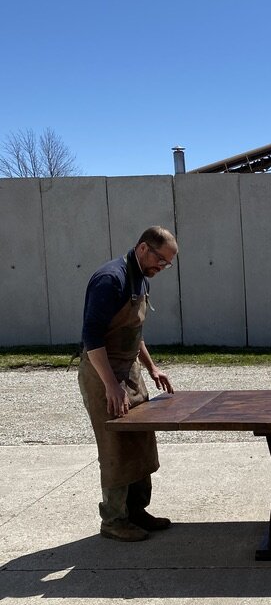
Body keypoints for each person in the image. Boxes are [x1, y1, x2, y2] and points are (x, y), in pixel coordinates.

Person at [78, 226, 178, 541]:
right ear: (143, 248)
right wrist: (110, 385)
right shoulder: (111, 279)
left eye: (167, 264)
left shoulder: (141, 279)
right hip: (102, 372)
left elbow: (134, 332)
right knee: (115, 447)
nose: (162, 268)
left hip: (129, 370)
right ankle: (114, 520)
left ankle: (136, 511)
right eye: (161, 260)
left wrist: (151, 368)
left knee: (140, 440)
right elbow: (92, 338)